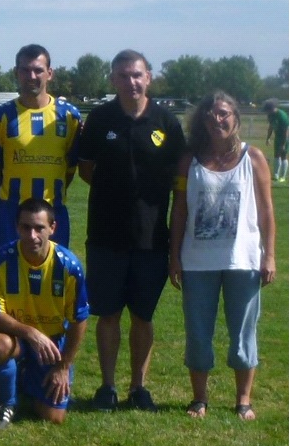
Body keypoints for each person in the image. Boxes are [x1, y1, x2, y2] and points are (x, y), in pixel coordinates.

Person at [77, 49, 185, 412]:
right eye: (123, 75)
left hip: (151, 238)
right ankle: (107, 387)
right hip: (106, 236)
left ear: (148, 77)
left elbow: (178, 176)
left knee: (143, 316)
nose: (131, 81)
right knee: (107, 315)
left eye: (137, 75)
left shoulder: (166, 122)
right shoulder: (100, 119)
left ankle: (139, 387)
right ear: (113, 80)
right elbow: (86, 169)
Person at [169, 92, 276, 421]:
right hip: (198, 263)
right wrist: (174, 257)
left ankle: (243, 400)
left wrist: (269, 256)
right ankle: (199, 399)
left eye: (224, 114)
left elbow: (267, 212)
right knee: (198, 333)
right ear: (202, 121)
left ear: (236, 119)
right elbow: (180, 212)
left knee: (243, 334)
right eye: (211, 115)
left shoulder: (253, 157)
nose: (217, 119)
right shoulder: (189, 160)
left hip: (242, 262)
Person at [0, 198, 89, 428]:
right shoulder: (2, 260)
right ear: (17, 227)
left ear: (52, 228)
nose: (32, 236)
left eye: (39, 228)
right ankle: (8, 403)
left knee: (53, 417)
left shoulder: (69, 266)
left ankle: (24, 384)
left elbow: (79, 320)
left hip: (51, 346)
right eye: (26, 227)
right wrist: (30, 333)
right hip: (18, 339)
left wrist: (63, 366)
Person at [0, 44, 81, 254]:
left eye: (38, 70)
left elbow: (70, 166)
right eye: (26, 70)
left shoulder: (70, 117)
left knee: (53, 278)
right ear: (16, 73)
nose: (32, 75)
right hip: (10, 213)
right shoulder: (2, 116)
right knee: (6, 276)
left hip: (53, 212)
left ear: (50, 73)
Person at [262, 99, 288, 183]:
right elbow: (271, 127)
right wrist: (268, 138)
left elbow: (286, 131)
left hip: (286, 137)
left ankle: (283, 176)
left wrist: (284, 144)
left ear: (271, 108)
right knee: (276, 155)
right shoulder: (270, 115)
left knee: (283, 155)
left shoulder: (282, 115)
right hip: (278, 136)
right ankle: (276, 175)